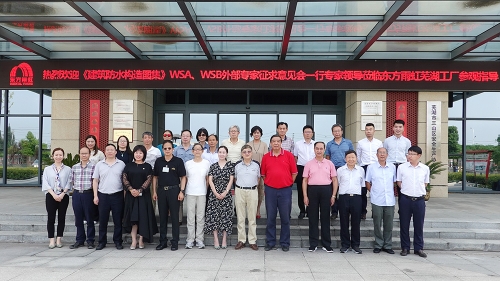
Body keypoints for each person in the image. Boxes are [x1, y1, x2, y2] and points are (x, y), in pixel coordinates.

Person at [261, 134, 298, 252]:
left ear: (281, 143)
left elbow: (294, 173)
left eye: (278, 141)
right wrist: (270, 183)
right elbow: (263, 174)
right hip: (270, 190)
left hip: (285, 190)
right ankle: (270, 242)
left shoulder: (289, 155)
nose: (276, 143)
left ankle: (285, 242)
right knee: (270, 217)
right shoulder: (266, 157)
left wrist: (287, 183)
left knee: (285, 217)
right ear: (270, 143)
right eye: (273, 141)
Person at [302, 142, 338, 253]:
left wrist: (333, 195)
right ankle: (313, 244)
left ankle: (326, 244)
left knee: (325, 217)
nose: (319, 150)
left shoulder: (329, 163)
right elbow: (305, 180)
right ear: (314, 149)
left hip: (326, 190)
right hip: (312, 190)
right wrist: (305, 196)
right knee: (312, 218)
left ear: (324, 150)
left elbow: (335, 180)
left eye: (321, 149)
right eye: (317, 148)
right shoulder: (309, 164)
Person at [122, 145, 158, 250]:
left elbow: (149, 179)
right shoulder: (129, 166)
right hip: (131, 196)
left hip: (143, 196)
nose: (138, 155)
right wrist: (130, 189)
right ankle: (133, 241)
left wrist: (140, 190)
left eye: (140, 153)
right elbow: (124, 178)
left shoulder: (147, 166)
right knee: (133, 219)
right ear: (133, 154)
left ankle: (141, 240)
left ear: (144, 154)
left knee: (143, 218)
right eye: (136, 153)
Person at [152, 140, 186, 251]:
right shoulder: (159, 161)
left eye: (169, 148)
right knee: (162, 217)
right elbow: (155, 177)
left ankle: (175, 241)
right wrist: (154, 191)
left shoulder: (178, 161)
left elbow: (183, 177)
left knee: (175, 217)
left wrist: (182, 191)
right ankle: (163, 241)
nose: (167, 150)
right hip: (161, 191)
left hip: (174, 191)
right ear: (163, 149)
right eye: (165, 148)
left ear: (173, 149)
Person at [397, 146, 430, 258]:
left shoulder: (425, 168)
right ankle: (405, 247)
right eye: (408, 153)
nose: (409, 156)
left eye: (412, 154)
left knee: (419, 225)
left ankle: (418, 248)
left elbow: (425, 183)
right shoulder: (402, 167)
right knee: (404, 224)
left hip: (419, 200)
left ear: (419, 156)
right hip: (405, 199)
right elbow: (399, 182)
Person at [92, 144, 126, 250]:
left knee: (117, 220)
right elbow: (95, 180)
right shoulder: (99, 165)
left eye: (112, 150)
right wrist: (95, 196)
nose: (110, 151)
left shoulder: (121, 164)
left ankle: (118, 241)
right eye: (108, 150)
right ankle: (102, 242)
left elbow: (125, 181)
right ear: (105, 152)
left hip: (117, 195)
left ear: (116, 152)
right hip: (103, 195)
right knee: (103, 220)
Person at [365, 147, 396, 254]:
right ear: (376, 155)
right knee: (377, 223)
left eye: (384, 153)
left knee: (389, 224)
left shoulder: (392, 167)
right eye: (380, 153)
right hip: (377, 200)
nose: (382, 154)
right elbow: (367, 182)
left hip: (390, 200)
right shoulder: (371, 167)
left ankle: (387, 245)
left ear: (387, 155)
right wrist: (372, 192)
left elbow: (394, 182)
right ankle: (378, 244)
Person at [205, 146, 235, 249]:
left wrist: (225, 192)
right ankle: (216, 239)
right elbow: (210, 180)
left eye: (223, 152)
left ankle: (224, 239)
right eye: (220, 152)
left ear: (226, 154)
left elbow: (231, 180)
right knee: (214, 216)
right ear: (218, 153)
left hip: (226, 194)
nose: (221, 154)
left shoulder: (230, 166)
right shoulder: (213, 166)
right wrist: (216, 193)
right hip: (214, 194)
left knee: (225, 216)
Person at [42, 148, 71, 249]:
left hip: (64, 195)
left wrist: (63, 194)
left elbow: (69, 182)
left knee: (61, 218)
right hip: (51, 195)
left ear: (63, 156)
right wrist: (53, 194)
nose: (58, 157)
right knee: (51, 218)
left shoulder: (68, 169)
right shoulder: (47, 169)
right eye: (56, 155)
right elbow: (45, 182)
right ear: (53, 156)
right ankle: (51, 240)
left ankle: (59, 239)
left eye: (60, 155)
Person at [337, 150, 365, 254]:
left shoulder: (361, 170)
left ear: (356, 158)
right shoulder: (340, 170)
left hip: (356, 198)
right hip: (344, 197)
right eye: (349, 157)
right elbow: (338, 183)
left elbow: (362, 185)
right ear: (345, 159)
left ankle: (355, 245)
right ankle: (345, 245)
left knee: (356, 222)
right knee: (343, 222)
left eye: (353, 157)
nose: (351, 159)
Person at [185, 143, 211, 249]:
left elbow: (207, 179)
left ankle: (200, 239)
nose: (197, 151)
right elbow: (185, 178)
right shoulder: (187, 164)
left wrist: (205, 189)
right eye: (195, 149)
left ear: (202, 151)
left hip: (202, 193)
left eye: (199, 149)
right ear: (192, 151)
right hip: (190, 192)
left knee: (200, 217)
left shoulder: (206, 163)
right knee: (190, 217)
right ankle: (190, 240)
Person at [234, 145, 260, 251]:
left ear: (252, 153)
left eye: (249, 151)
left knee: (252, 217)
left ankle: (252, 241)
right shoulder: (237, 165)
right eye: (244, 152)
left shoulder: (256, 165)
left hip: (252, 191)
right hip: (240, 190)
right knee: (240, 216)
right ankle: (241, 240)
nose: (247, 153)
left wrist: (253, 186)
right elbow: (235, 178)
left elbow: (259, 178)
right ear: (241, 153)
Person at [69, 147, 96, 249]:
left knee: (89, 218)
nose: (84, 155)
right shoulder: (74, 167)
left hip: (88, 194)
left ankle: (90, 240)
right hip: (77, 194)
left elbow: (95, 181)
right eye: (82, 153)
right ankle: (79, 240)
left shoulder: (94, 167)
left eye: (86, 153)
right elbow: (71, 181)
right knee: (78, 218)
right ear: (79, 154)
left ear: (89, 154)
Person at [326, 124, 354, 220]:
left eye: (338, 131)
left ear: (342, 131)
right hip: (334, 169)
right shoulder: (329, 144)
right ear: (332, 132)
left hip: (346, 168)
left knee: (346, 190)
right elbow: (328, 157)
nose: (337, 133)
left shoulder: (348, 143)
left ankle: (347, 211)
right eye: (335, 131)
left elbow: (351, 156)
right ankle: (334, 212)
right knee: (334, 191)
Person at [356, 123, 383, 220]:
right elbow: (358, 156)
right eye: (367, 129)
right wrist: (362, 165)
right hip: (364, 168)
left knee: (375, 190)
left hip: (376, 167)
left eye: (370, 129)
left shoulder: (379, 143)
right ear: (364, 131)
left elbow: (381, 155)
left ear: (374, 130)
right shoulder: (360, 143)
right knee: (363, 191)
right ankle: (363, 211)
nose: (368, 131)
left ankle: (375, 212)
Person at [384, 119, 412, 207]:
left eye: (400, 127)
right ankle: (387, 208)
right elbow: (384, 154)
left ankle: (402, 211)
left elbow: (408, 155)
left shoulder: (407, 141)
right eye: (396, 127)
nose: (398, 129)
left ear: (403, 128)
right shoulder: (387, 141)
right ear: (393, 128)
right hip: (390, 166)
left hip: (402, 166)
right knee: (388, 188)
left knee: (401, 189)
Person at [294, 125, 316, 219]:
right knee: (301, 190)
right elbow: (295, 157)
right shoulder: (298, 144)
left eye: (309, 132)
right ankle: (302, 210)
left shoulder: (315, 144)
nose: (307, 134)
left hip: (313, 168)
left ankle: (309, 210)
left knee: (311, 189)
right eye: (306, 132)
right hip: (301, 168)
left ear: (312, 133)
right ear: (303, 133)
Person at [174, 129, 194, 225]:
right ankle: (179, 219)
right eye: (183, 136)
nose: (185, 137)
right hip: (179, 177)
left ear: (191, 137)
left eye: (187, 136)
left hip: (192, 177)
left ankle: (192, 219)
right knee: (179, 198)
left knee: (192, 199)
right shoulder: (177, 149)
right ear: (181, 137)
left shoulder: (194, 149)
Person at [247, 126, 267, 219]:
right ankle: (251, 209)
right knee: (251, 191)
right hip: (250, 170)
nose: (256, 134)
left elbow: (266, 158)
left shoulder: (264, 145)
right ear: (252, 134)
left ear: (261, 134)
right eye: (254, 132)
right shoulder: (248, 144)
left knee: (260, 191)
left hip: (261, 170)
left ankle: (258, 209)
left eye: (258, 132)